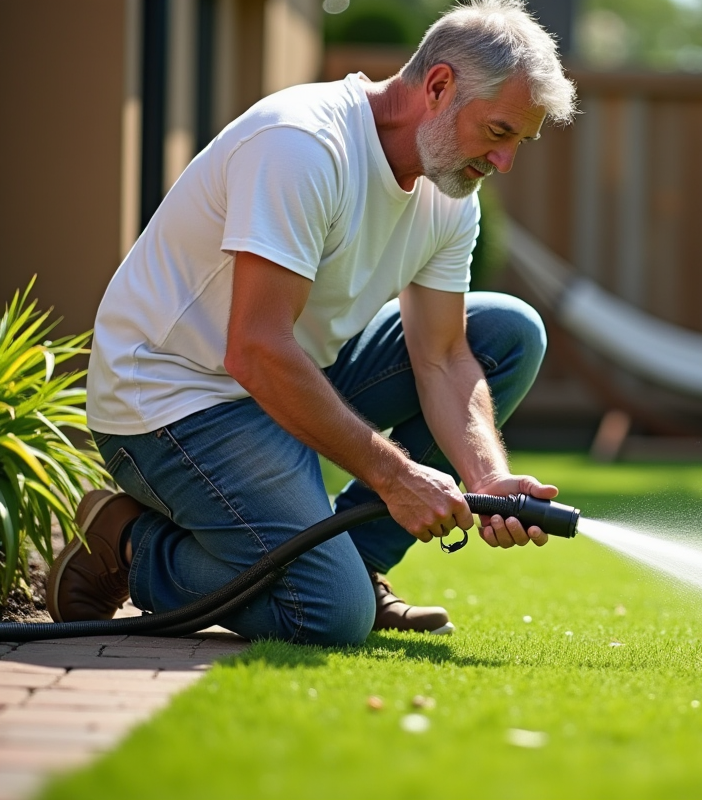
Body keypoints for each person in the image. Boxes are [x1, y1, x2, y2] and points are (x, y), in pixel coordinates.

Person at [47, 0, 577, 645]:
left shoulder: (447, 193)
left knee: (508, 332)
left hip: (285, 376)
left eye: (518, 142)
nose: (504, 163)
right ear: (438, 87)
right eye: (498, 133)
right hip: (173, 400)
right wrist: (396, 476)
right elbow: (256, 348)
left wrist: (487, 477)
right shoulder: (302, 144)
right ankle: (126, 543)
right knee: (324, 615)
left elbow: (443, 356)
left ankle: (360, 562)